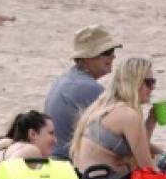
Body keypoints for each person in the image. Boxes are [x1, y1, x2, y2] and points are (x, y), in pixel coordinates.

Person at [69, 57, 159, 176]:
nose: (153, 88)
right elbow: (146, 169)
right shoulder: (128, 115)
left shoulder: (102, 107)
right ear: (134, 83)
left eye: (153, 82)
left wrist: (151, 122)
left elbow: (137, 154)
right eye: (149, 82)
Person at [44, 25, 121, 159]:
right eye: (107, 52)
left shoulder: (65, 79)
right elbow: (121, 139)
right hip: (70, 164)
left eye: (112, 51)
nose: (113, 56)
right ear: (87, 57)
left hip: (55, 158)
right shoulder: (90, 88)